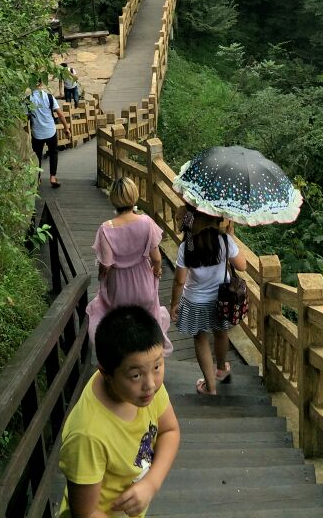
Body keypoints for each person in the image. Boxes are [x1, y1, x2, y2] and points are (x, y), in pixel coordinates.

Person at [59, 305, 180, 518]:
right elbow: (86, 513)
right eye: (136, 375)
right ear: (106, 374)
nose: (150, 384)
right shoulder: (88, 435)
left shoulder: (145, 390)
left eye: (157, 366)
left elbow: (169, 431)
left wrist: (151, 484)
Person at [86, 178, 172, 355]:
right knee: (146, 323)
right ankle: (149, 357)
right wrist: (157, 271)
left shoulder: (106, 229)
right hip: (144, 285)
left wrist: (101, 277)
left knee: (122, 326)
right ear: (134, 196)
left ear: (113, 198)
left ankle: (126, 360)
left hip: (120, 290)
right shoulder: (147, 222)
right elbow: (156, 258)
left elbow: (106, 265)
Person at [169, 203, 247, 395]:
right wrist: (231, 238)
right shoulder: (224, 239)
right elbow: (242, 266)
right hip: (221, 299)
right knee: (221, 333)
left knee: (201, 338)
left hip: (195, 301)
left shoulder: (186, 246)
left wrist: (174, 304)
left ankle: (210, 388)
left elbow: (180, 281)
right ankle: (221, 369)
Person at [26, 79, 70, 189]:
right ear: (41, 84)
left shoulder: (28, 100)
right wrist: (66, 128)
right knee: (53, 153)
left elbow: (24, 118)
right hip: (50, 131)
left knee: (37, 155)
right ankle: (53, 177)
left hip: (37, 133)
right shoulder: (48, 97)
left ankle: (38, 178)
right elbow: (60, 114)